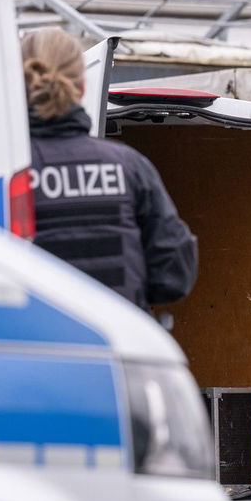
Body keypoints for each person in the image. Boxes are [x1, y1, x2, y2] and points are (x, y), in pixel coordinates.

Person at [21, 28, 198, 310]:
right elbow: (175, 275)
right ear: (81, 87)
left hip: (34, 346)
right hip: (118, 343)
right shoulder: (129, 167)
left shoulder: (2, 172)